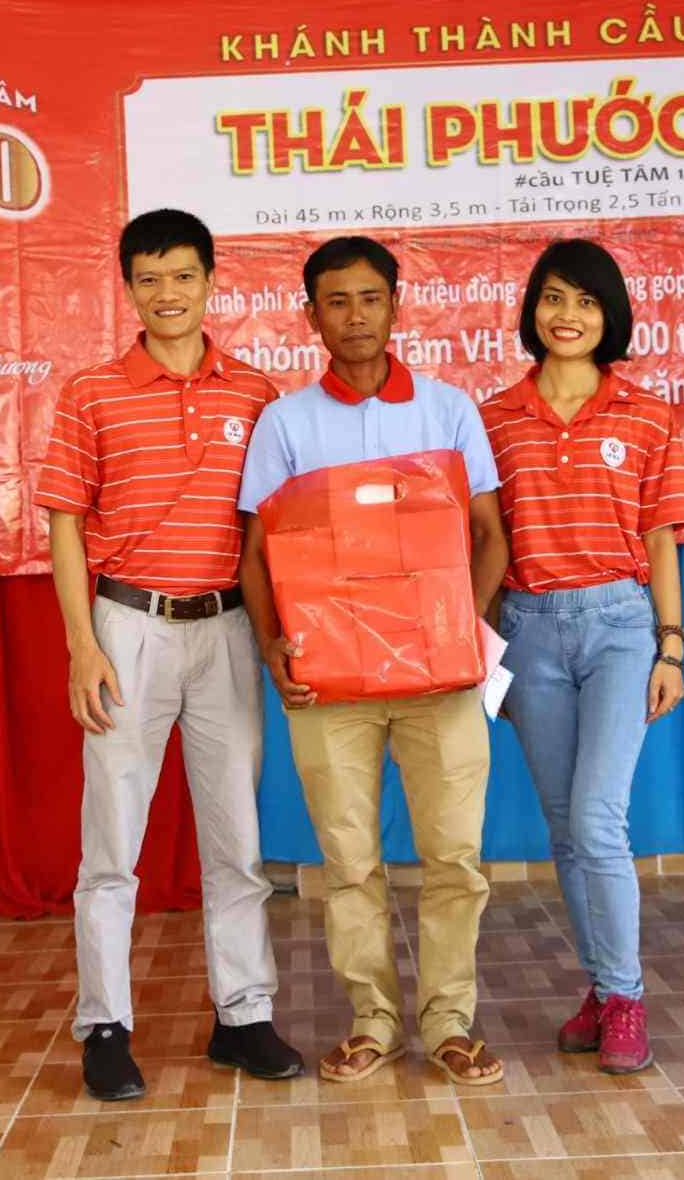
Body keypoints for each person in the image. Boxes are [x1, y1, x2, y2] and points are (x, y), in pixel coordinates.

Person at [35, 209, 302, 1102]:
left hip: (226, 628)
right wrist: (81, 646)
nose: (167, 293)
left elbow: (275, 530)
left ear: (211, 281)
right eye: (148, 279)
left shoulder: (256, 393)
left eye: (183, 275)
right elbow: (65, 525)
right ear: (127, 288)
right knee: (112, 840)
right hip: (127, 629)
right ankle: (105, 1026)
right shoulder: (91, 393)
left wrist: (276, 635)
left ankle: (243, 1016)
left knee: (237, 838)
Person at [237, 235, 510, 1088]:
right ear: (309, 314)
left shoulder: (447, 411)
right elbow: (257, 554)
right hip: (331, 682)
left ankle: (450, 1021)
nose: (354, 316)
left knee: (454, 854)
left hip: (441, 678)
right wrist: (273, 646)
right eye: (336, 301)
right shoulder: (285, 423)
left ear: (395, 304)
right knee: (348, 861)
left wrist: (460, 631)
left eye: (368, 297)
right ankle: (373, 1021)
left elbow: (489, 537)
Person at [479, 239, 684, 1074]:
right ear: (531, 307)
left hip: (619, 630)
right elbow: (485, 542)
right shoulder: (492, 417)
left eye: (585, 301)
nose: (566, 316)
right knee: (566, 830)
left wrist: (669, 648)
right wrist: (486, 653)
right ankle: (603, 991)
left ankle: (627, 999)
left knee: (599, 820)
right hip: (528, 630)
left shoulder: (646, 415)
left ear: (610, 317)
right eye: (553, 297)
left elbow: (660, 538)